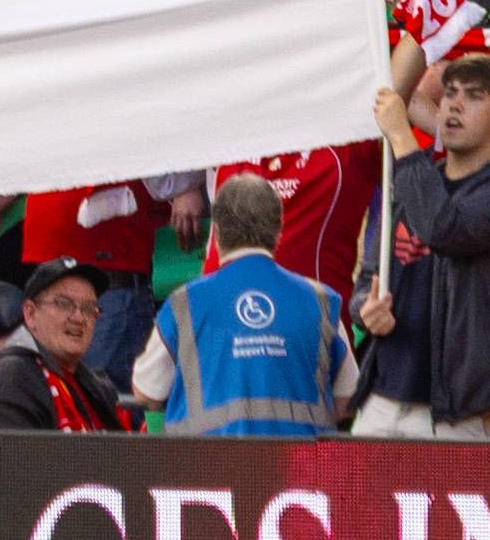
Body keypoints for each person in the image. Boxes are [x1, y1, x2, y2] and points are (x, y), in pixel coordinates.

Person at [356, 50, 490, 436]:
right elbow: (369, 277)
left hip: (465, 411)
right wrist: (366, 309)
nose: (454, 104)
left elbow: (445, 230)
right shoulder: (414, 177)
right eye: (450, 93)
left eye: (474, 96)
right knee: (356, 498)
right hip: (384, 396)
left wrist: (402, 136)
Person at [135, 171, 350, 436]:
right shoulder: (321, 302)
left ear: (217, 231)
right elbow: (346, 399)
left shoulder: (184, 303)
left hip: (205, 472)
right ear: (278, 230)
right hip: (299, 473)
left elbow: (146, 391)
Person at [0, 265, 127, 431]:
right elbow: (6, 459)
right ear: (30, 313)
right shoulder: (12, 377)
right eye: (63, 304)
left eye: (88, 309)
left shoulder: (97, 388)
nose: (78, 317)